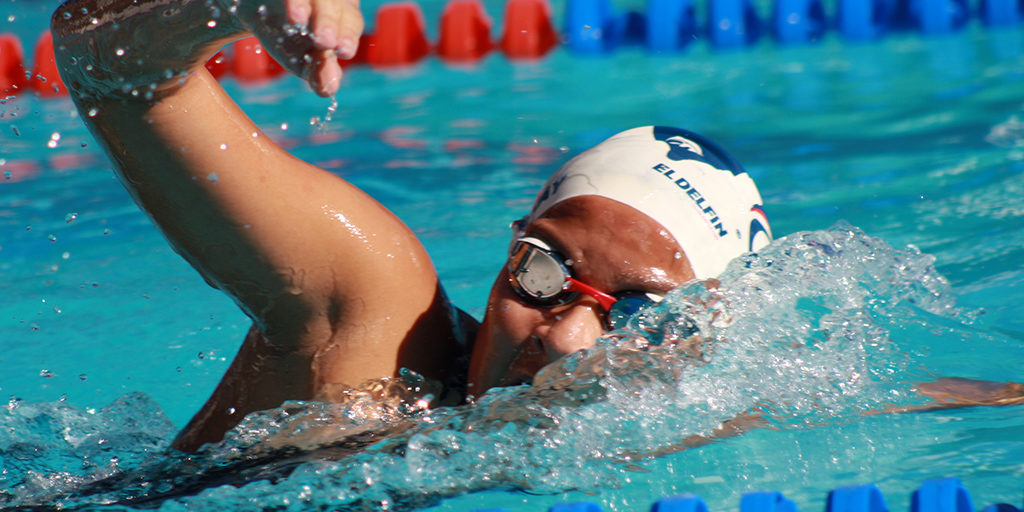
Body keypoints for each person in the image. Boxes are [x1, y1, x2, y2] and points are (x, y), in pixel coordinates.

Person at [50, 0, 1022, 455]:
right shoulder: (368, 325)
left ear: (708, 336)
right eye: (545, 272)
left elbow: (887, 398)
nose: (561, 335)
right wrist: (229, 4)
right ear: (509, 241)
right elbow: (100, 54)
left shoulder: (695, 409)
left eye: (637, 314)